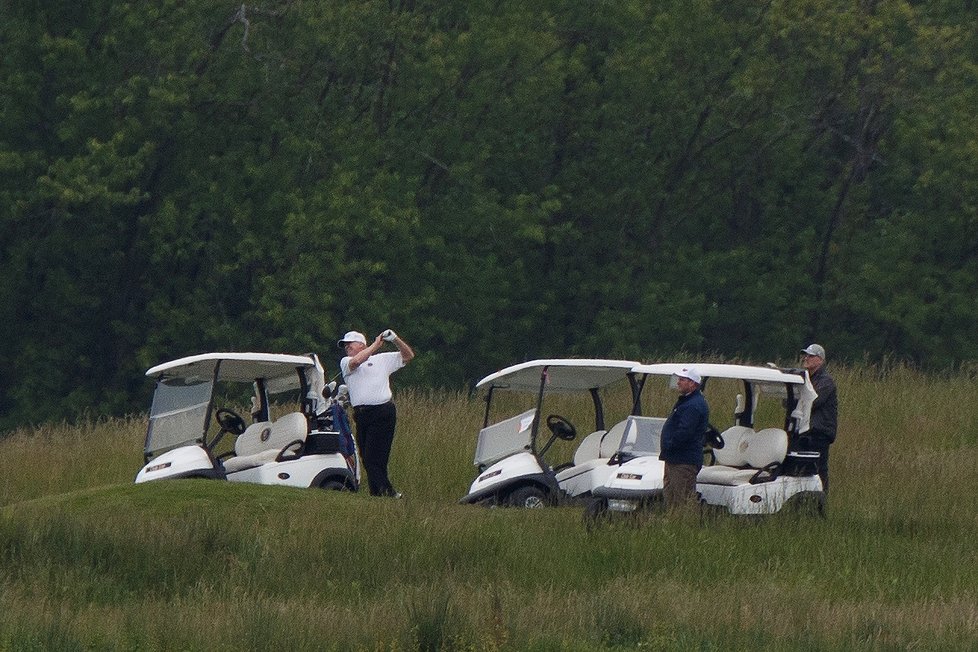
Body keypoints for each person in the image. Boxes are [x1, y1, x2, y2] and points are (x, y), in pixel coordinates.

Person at [338, 328, 415, 497]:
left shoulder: (381, 360)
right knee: (368, 457)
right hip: (362, 415)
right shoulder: (346, 362)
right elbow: (356, 362)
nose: (346, 348)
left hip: (382, 412)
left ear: (361, 345)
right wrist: (376, 345)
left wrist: (395, 339)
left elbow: (408, 355)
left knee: (374, 457)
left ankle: (388, 492)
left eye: (349, 344)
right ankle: (377, 493)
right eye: (345, 345)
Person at [659, 367, 709, 512]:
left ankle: (686, 528)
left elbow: (685, 432)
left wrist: (669, 444)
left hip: (684, 461)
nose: (678, 382)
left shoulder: (693, 405)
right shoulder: (686, 401)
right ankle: (674, 526)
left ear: (693, 384)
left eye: (682, 380)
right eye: (678, 379)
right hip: (674, 458)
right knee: (671, 499)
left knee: (683, 501)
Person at [799, 343, 838, 493]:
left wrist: (798, 399)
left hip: (820, 432)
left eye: (811, 356)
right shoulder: (807, 379)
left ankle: (821, 502)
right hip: (807, 431)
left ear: (820, 360)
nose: (806, 358)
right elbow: (789, 401)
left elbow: (813, 401)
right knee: (804, 469)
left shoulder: (826, 381)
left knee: (819, 469)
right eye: (806, 355)